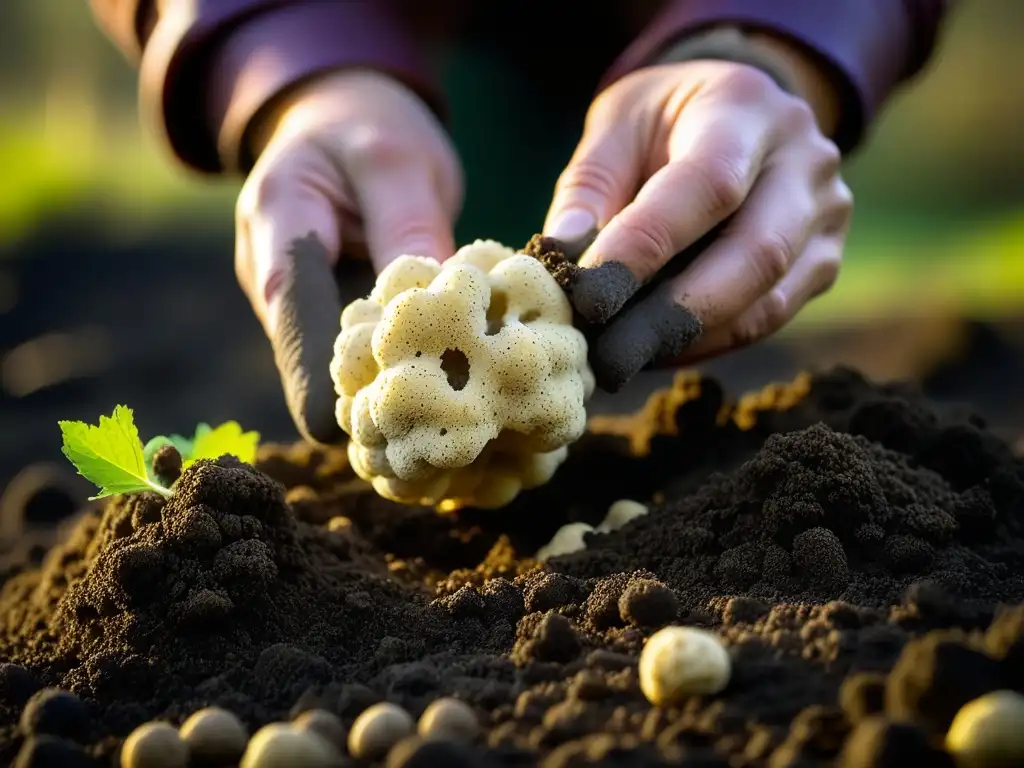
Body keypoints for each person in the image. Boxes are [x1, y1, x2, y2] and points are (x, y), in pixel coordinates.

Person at [89, 0, 952, 444]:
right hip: (404, 45)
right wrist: (290, 59)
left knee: (637, 322)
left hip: (671, 57)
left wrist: (773, 44)